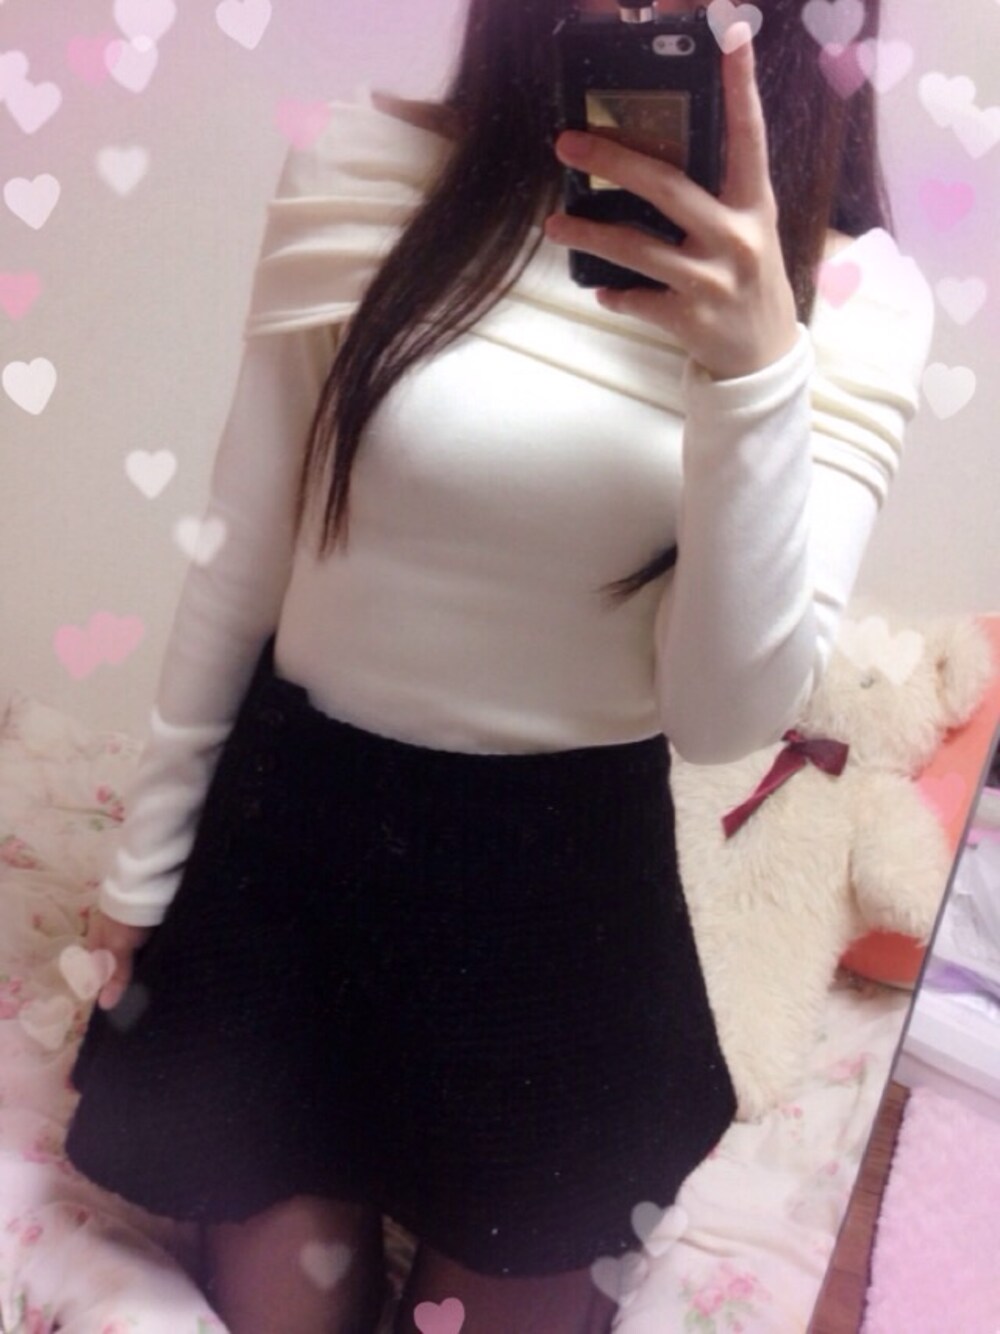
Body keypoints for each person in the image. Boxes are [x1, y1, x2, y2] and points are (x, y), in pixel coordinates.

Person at [63, 0, 934, 1330]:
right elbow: (242, 552)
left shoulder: (859, 301)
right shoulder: (363, 166)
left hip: (561, 895)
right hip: (295, 851)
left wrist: (756, 372)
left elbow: (721, 718)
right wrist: (146, 874)